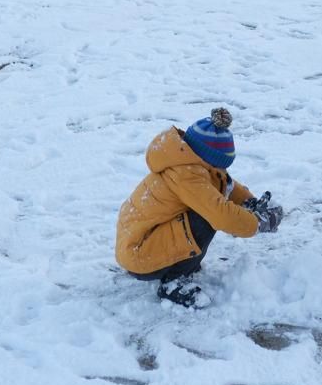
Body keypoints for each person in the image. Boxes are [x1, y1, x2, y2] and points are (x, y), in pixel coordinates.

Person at [115, 107, 284, 308]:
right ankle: (173, 282)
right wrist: (258, 223)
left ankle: (179, 264)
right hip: (140, 255)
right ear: (207, 159)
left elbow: (222, 182)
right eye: (219, 165)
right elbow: (223, 216)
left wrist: (250, 202)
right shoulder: (187, 175)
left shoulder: (185, 159)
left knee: (207, 208)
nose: (222, 170)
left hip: (140, 246)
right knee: (207, 217)